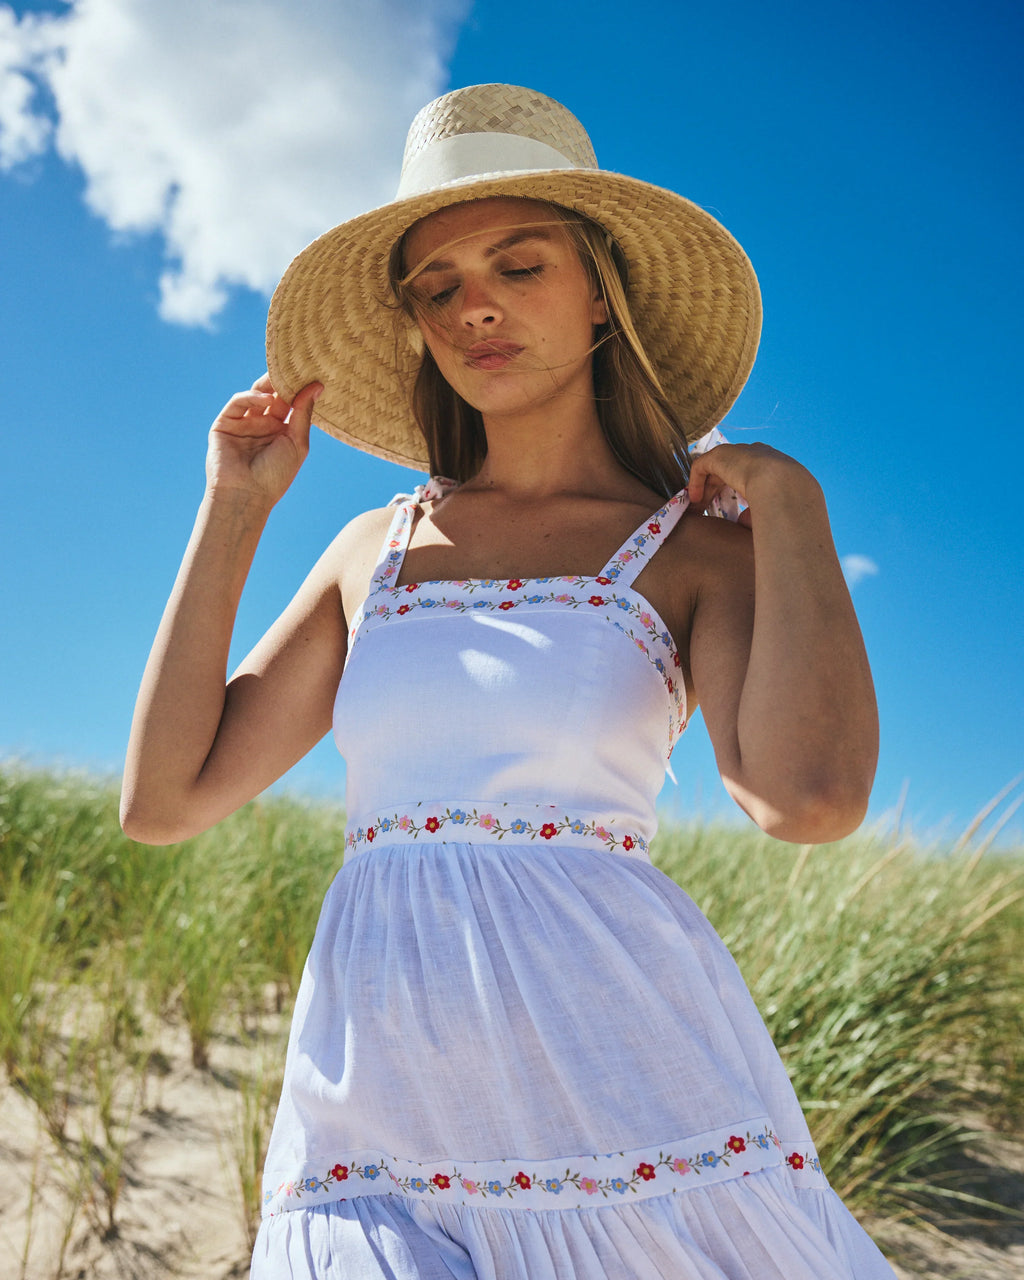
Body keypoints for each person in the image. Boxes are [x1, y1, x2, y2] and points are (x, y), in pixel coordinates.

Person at [121, 84, 893, 1279]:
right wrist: (233, 510)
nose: (472, 305)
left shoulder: (693, 552)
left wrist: (793, 505)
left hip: (622, 1102)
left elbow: (809, 800)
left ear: (601, 294)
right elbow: (164, 801)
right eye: (436, 287)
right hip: (369, 1114)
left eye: (519, 265)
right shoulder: (372, 550)